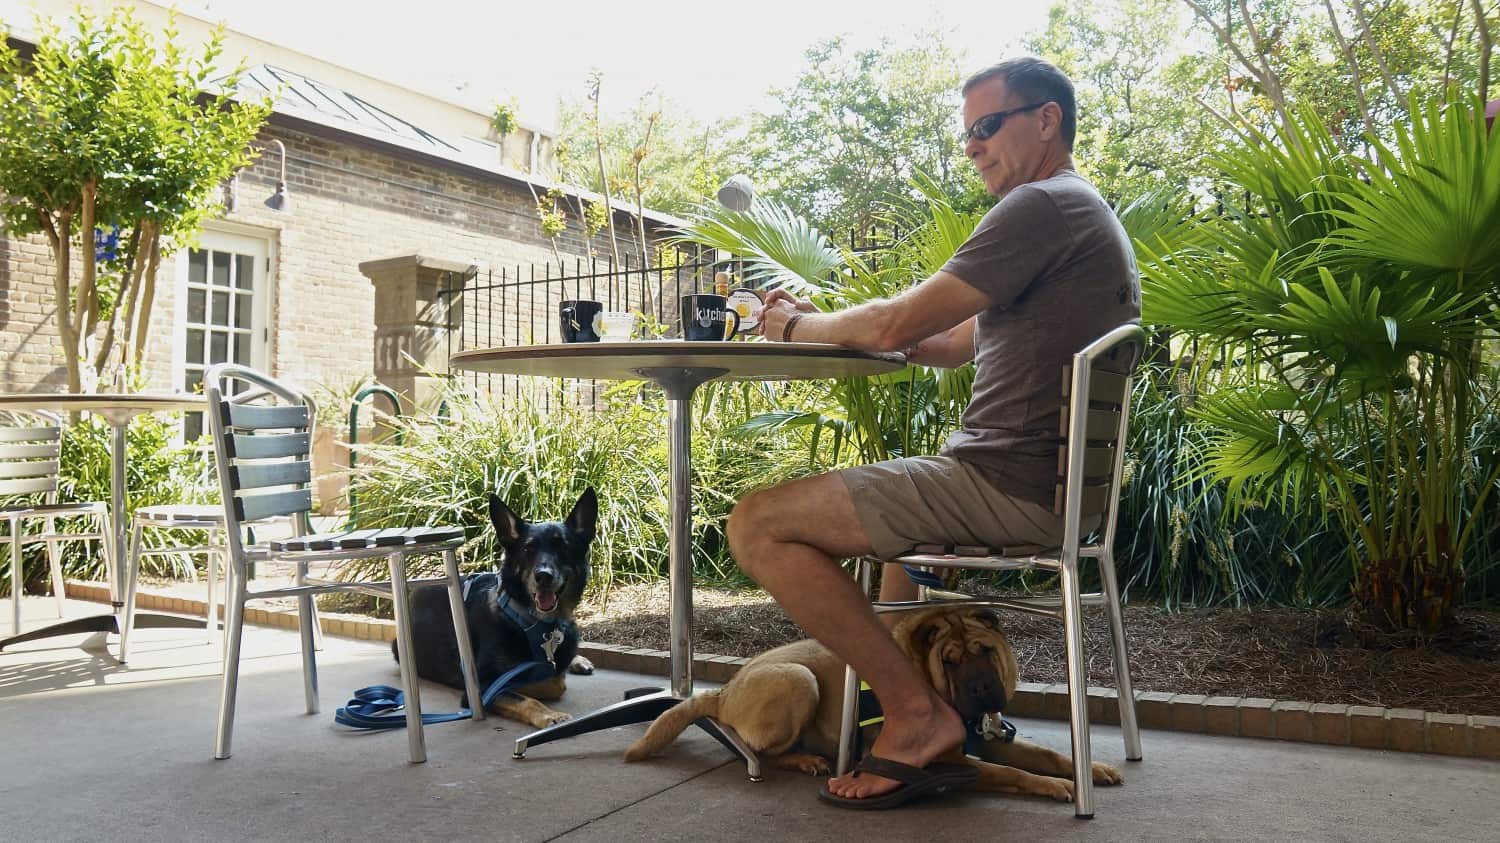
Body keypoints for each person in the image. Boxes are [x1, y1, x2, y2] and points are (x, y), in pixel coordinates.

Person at [728, 56, 1141, 808]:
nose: (975, 146)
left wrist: (794, 324)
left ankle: (917, 715)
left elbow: (893, 320)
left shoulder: (1041, 207)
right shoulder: (1078, 214)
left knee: (757, 524)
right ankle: (895, 714)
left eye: (988, 126)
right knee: (891, 570)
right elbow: (939, 341)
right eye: (967, 136)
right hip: (1039, 489)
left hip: (999, 486)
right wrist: (837, 323)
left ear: (1046, 120)